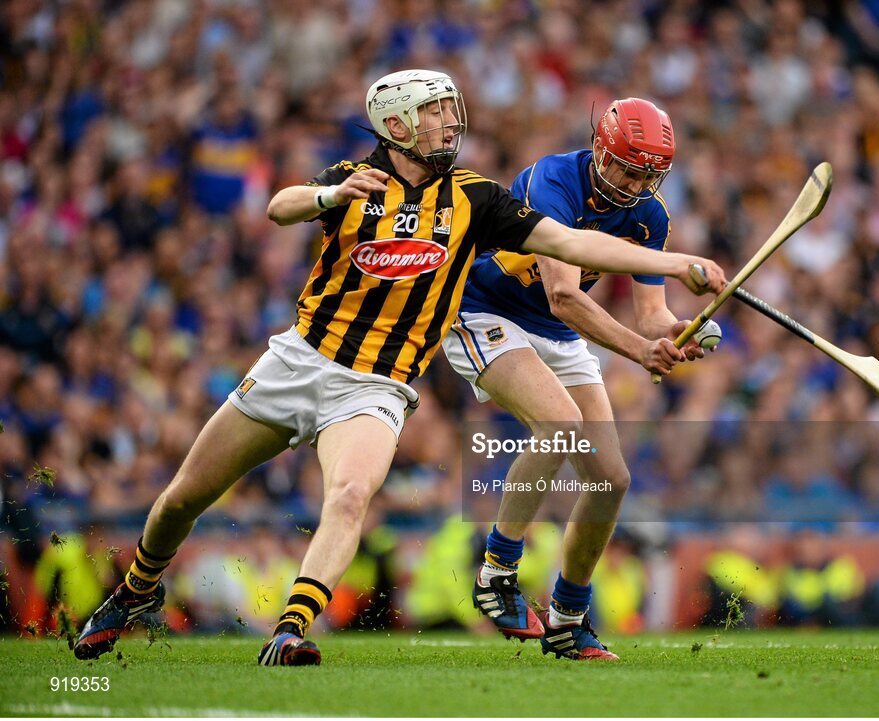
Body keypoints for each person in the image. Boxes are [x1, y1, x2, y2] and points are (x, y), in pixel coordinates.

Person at [72, 70, 723, 667]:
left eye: (449, 111)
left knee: (596, 475)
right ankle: (134, 590)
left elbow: (607, 278)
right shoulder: (369, 179)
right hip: (372, 340)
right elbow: (282, 206)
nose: (451, 123)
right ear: (398, 124)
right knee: (186, 494)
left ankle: (551, 618)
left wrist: (677, 320)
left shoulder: (487, 199)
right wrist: (330, 193)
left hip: (387, 380)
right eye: (437, 113)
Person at [441, 97, 726, 660]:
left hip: (557, 332)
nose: (634, 182)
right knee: (558, 422)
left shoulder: (651, 216)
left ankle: (569, 618)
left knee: (610, 479)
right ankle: (497, 573)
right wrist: (642, 352)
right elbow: (565, 295)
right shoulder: (551, 180)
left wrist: (681, 333)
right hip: (484, 308)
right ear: (600, 148)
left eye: (649, 173)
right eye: (626, 167)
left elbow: (652, 316)